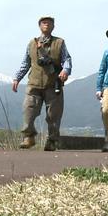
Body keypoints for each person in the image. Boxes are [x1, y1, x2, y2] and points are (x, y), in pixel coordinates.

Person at [13, 16, 72, 150]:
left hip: (53, 84)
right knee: (28, 110)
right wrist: (17, 78)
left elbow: (67, 59)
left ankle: (52, 140)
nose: (46, 25)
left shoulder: (59, 42)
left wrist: (65, 71)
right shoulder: (32, 44)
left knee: (53, 116)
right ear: (39, 26)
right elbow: (25, 63)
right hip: (34, 83)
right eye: (44, 23)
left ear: (53, 26)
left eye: (49, 23)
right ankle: (28, 137)